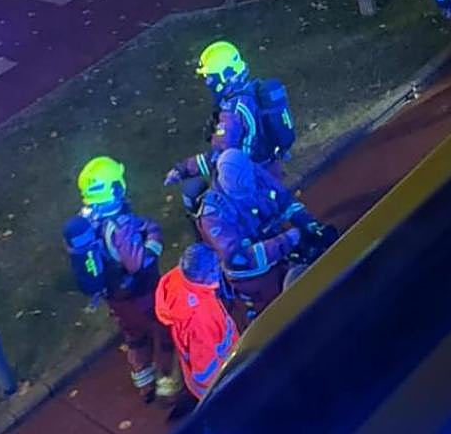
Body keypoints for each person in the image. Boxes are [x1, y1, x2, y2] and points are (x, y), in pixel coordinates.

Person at [64, 157, 180, 402]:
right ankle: (167, 383)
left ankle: (144, 383)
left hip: (115, 295)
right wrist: (153, 234)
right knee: (164, 329)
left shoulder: (88, 218)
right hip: (140, 292)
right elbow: (138, 263)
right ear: (115, 187)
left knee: (134, 336)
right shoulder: (120, 225)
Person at [164, 41, 294, 214]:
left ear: (223, 76)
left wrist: (183, 169)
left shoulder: (233, 111)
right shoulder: (254, 91)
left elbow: (220, 156)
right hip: (270, 169)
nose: (208, 82)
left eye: (210, 77)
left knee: (199, 197)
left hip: (249, 180)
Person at [196, 148, 317, 320]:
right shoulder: (214, 215)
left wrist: (306, 222)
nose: (251, 189)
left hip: (274, 247)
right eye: (243, 189)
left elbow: (283, 199)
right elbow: (239, 259)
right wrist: (285, 241)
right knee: (278, 311)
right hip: (251, 275)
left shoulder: (252, 172)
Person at [155, 243, 240, 402]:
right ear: (202, 276)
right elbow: (206, 367)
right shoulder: (201, 317)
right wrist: (221, 388)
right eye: (213, 269)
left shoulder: (181, 279)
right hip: (219, 383)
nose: (218, 270)